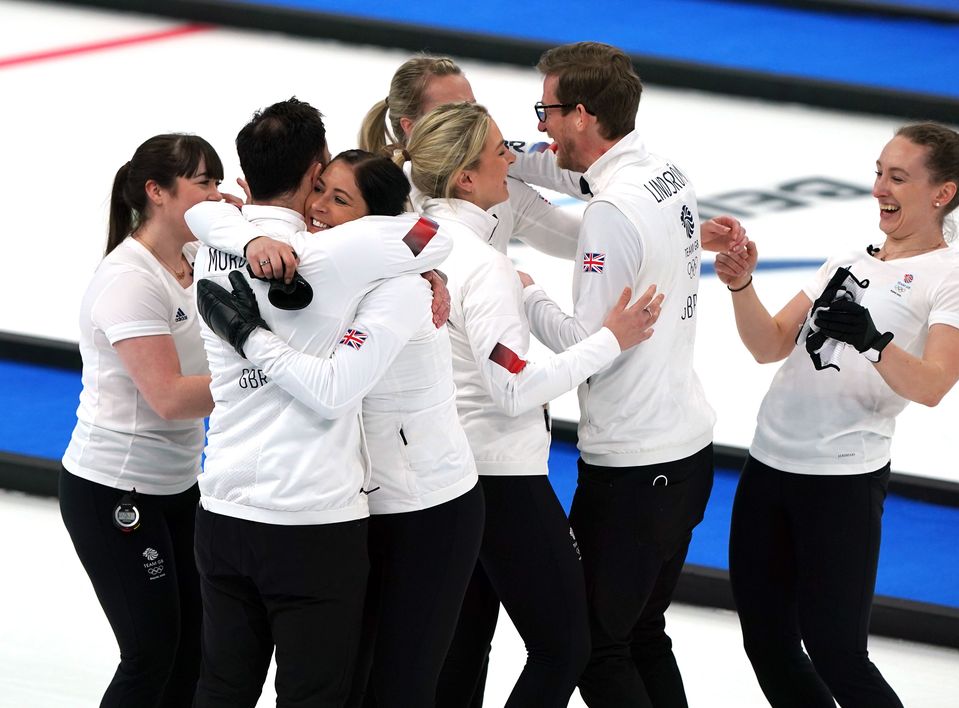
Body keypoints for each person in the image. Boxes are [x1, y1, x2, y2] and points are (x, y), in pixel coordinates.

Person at [186, 98, 452, 708]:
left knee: (220, 689)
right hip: (309, 521)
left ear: (244, 176)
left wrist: (244, 230)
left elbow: (203, 211)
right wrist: (420, 273)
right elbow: (430, 237)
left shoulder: (213, 244)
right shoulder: (336, 254)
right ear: (317, 166)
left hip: (223, 506)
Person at [399, 101, 663, 708]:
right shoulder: (483, 266)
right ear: (466, 177)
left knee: (460, 649)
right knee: (565, 647)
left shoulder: (414, 238)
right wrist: (608, 340)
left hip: (444, 471)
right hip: (501, 476)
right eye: (499, 153)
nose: (511, 160)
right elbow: (513, 384)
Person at [712, 123, 959, 708]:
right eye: (879, 171)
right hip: (768, 468)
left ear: (943, 194)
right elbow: (770, 344)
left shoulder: (954, 279)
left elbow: (934, 385)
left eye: (899, 177)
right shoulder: (847, 258)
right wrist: (742, 286)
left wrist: (875, 341)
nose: (880, 187)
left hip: (841, 484)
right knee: (767, 642)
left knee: (836, 653)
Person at [518, 42, 719, 708]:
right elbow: (569, 173)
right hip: (684, 447)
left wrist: (523, 294)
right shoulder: (660, 169)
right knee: (642, 633)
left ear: (581, 114)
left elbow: (593, 341)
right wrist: (494, 152)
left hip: (634, 464)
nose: (541, 125)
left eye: (546, 111)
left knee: (596, 648)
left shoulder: (609, 213)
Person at [59, 133, 225, 707]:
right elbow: (171, 398)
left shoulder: (196, 259)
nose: (216, 193)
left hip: (178, 487)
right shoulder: (129, 281)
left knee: (197, 648)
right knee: (152, 651)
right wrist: (270, 379)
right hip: (115, 492)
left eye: (217, 180)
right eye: (203, 181)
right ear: (157, 192)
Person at [360, 54, 580, 259]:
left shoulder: (497, 187)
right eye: (454, 110)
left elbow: (588, 242)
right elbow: (404, 271)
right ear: (411, 127)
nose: (473, 118)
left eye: (473, 107)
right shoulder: (385, 203)